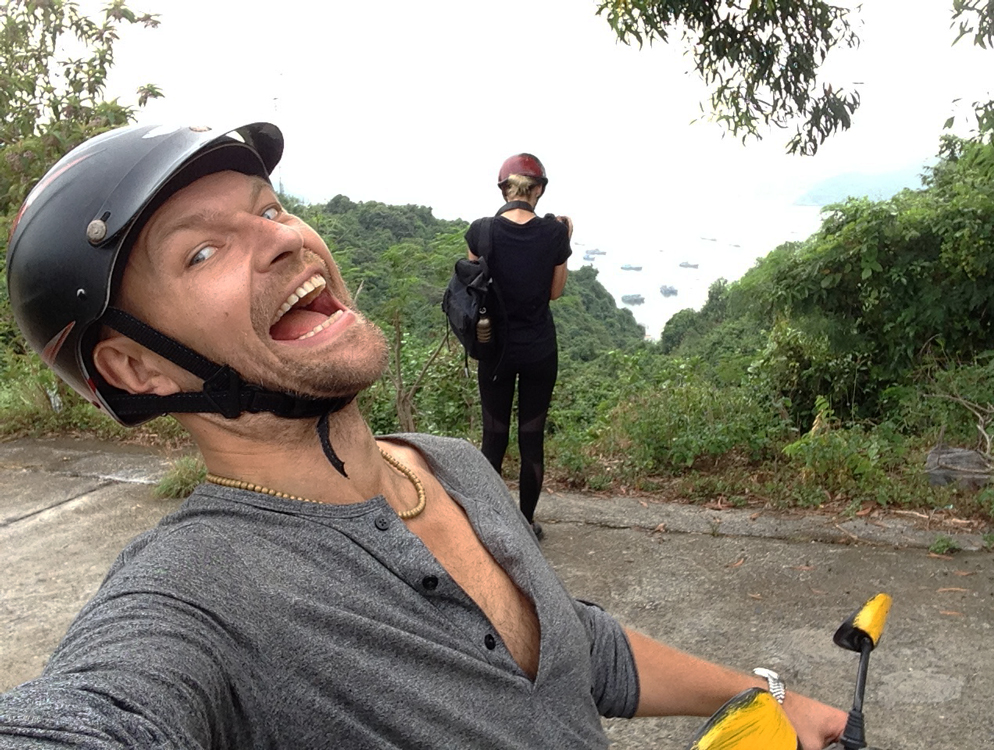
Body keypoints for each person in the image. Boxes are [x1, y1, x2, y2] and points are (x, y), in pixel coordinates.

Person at [0, 122, 846, 749]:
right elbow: (95, 715)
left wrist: (771, 695)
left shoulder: (447, 466)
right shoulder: (195, 599)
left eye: (271, 208)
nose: (284, 239)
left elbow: (566, 644)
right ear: (138, 370)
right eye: (202, 253)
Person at [466, 153, 571, 539]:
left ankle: (489, 527)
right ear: (539, 190)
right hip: (539, 350)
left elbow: (474, 288)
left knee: (494, 435)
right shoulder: (555, 233)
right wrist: (565, 240)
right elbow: (555, 292)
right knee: (531, 436)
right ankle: (526, 525)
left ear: (504, 189)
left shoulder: (482, 231)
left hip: (494, 348)